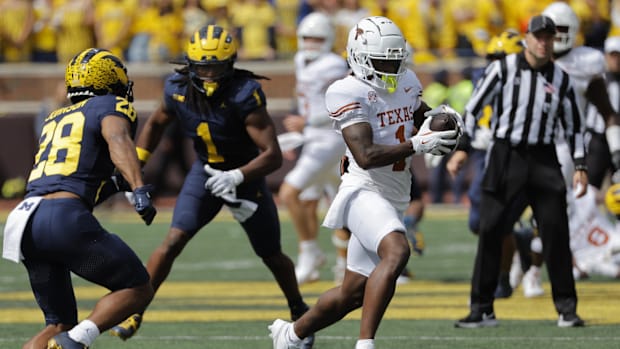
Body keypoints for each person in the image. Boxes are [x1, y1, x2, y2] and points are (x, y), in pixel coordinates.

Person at [109, 25, 315, 348]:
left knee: (271, 254)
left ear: (229, 65)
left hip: (244, 179)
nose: (207, 75)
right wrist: (137, 165)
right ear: (190, 65)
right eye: (201, 67)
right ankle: (135, 309)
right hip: (204, 175)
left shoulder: (243, 93)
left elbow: (273, 156)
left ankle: (299, 309)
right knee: (173, 240)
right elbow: (156, 123)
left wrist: (237, 177)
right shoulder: (177, 87)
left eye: (215, 67)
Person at [268, 16, 461, 349]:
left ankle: (291, 334)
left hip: (395, 194)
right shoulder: (346, 90)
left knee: (352, 292)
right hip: (364, 190)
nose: (390, 68)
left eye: (395, 60)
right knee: (397, 250)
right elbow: (366, 155)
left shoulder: (407, 80)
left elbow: (420, 115)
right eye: (382, 61)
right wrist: (418, 144)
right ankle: (365, 344)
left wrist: (443, 120)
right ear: (359, 57)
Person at [1, 48, 157, 348]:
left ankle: (68, 335)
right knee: (138, 287)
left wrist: (117, 184)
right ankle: (76, 341)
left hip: (25, 220)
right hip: (63, 216)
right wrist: (137, 188)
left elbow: (75, 174)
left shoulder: (54, 116)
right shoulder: (110, 105)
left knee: (56, 322)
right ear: (109, 79)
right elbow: (118, 139)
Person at [451, 15, 588, 329]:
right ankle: (482, 309)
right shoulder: (503, 69)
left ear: (554, 40)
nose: (543, 42)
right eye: (538, 36)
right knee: (490, 229)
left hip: (544, 157)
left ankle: (567, 309)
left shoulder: (562, 78)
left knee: (556, 232)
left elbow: (574, 126)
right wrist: (462, 148)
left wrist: (580, 165)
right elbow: (472, 109)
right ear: (527, 38)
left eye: (548, 37)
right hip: (506, 155)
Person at [277, 11, 350, 285]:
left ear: (328, 39)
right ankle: (329, 261)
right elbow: (306, 100)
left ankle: (311, 253)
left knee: (289, 191)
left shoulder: (333, 64)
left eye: (317, 38)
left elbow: (339, 106)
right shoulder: (300, 60)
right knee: (315, 201)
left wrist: (307, 121)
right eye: (307, 37)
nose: (311, 43)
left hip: (331, 140)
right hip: (313, 138)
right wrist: (299, 132)